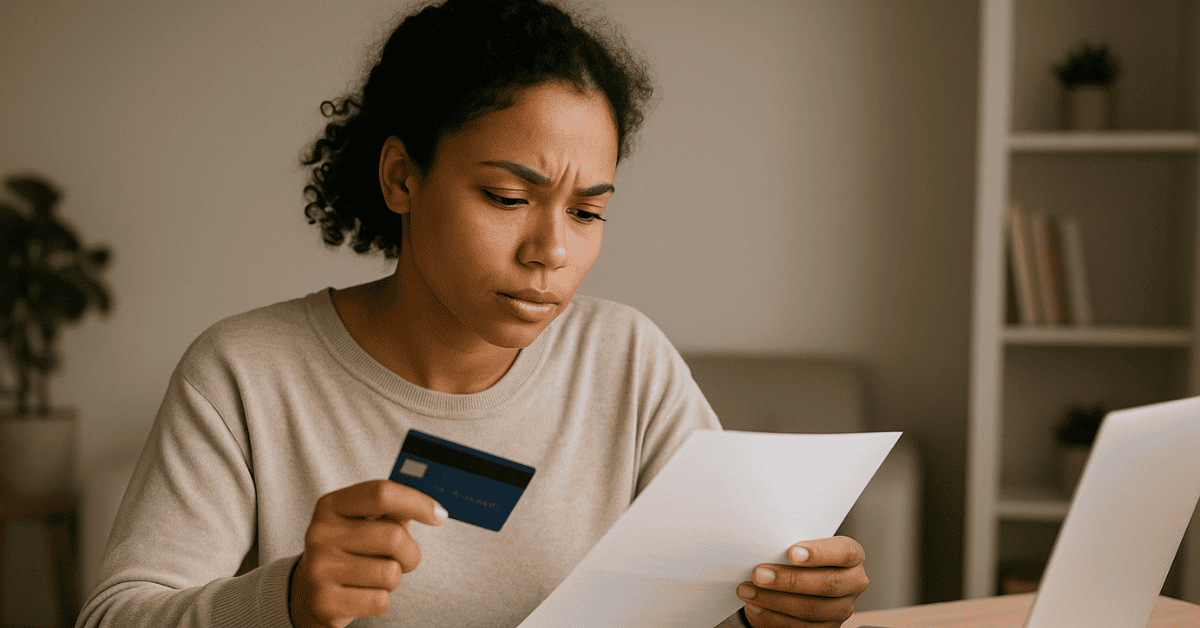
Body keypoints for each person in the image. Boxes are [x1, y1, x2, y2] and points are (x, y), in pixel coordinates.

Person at [76, 1, 868, 626]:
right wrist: (284, 603)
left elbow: (710, 608)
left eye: (588, 212)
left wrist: (777, 611)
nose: (550, 251)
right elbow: (116, 619)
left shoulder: (627, 359)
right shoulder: (245, 374)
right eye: (508, 197)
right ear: (401, 178)